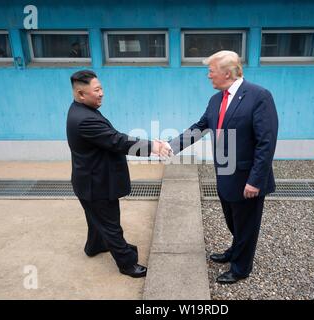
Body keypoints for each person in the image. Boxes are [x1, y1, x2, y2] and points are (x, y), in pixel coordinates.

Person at [169, 50, 278, 284]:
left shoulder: (259, 96)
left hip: (247, 178)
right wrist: (170, 147)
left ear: (227, 73)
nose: (208, 76)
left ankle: (241, 268)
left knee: (247, 224)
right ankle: (234, 250)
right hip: (225, 174)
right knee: (233, 220)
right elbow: (199, 127)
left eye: (211, 71)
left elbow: (266, 143)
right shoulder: (216, 99)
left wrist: (255, 180)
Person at [66, 70, 170, 278]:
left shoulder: (80, 110)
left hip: (89, 181)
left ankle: (94, 246)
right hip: (97, 185)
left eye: (101, 88)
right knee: (111, 225)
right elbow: (117, 140)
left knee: (96, 218)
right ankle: (127, 264)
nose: (102, 93)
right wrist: (153, 147)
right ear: (81, 94)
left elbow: (112, 138)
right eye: (96, 90)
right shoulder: (85, 119)